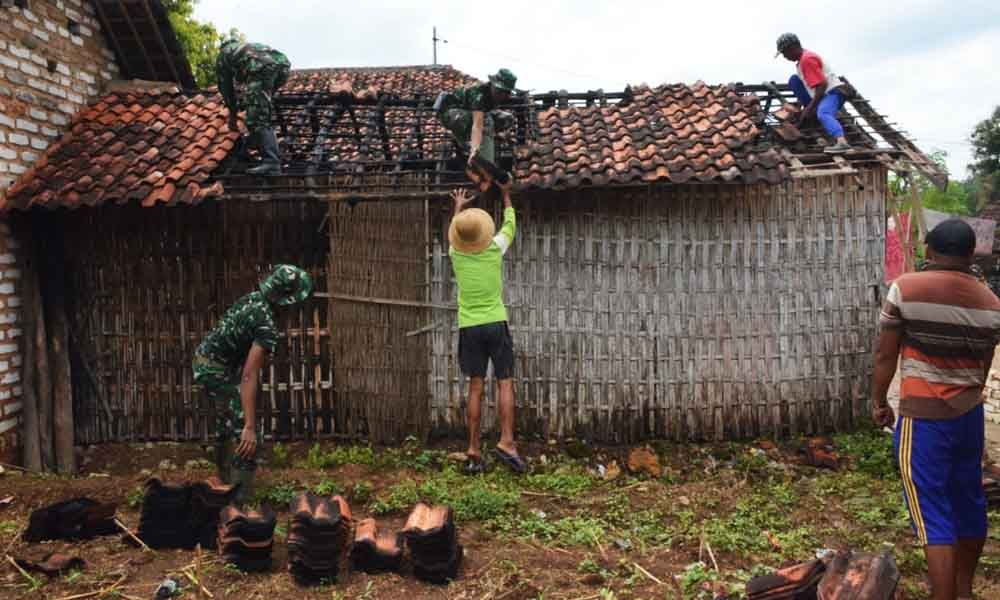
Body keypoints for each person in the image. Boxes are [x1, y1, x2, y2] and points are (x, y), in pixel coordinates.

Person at [870, 219, 1000, 600]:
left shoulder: (907, 289)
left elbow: (884, 355)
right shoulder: (992, 304)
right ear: (970, 254)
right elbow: (985, 364)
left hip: (925, 420)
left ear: (929, 251)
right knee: (968, 500)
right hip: (970, 418)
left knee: (933, 513)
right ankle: (963, 592)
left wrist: (879, 402)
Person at [193, 265, 313, 504]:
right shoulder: (266, 324)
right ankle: (239, 504)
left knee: (227, 422)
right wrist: (249, 425)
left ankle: (224, 487)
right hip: (215, 370)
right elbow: (249, 375)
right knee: (245, 433)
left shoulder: (254, 299)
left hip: (207, 362)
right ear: (286, 301)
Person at [448, 182, 525, 474]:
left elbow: (454, 234)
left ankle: (474, 449)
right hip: (495, 322)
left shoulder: (456, 254)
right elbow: (510, 225)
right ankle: (506, 441)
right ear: (482, 233)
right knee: (505, 381)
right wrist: (505, 194)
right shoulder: (494, 248)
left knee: (475, 387)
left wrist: (458, 207)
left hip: (470, 326)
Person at [216, 37, 291, 176]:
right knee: (259, 108)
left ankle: (271, 162)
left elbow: (226, 88)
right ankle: (257, 144)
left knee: (255, 117)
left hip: (261, 68)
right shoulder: (247, 48)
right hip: (283, 66)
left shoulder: (223, 54)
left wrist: (232, 115)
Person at [435, 68, 518, 187]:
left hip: (470, 113)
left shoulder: (497, 97)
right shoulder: (479, 94)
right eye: (500, 91)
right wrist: (475, 149)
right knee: (484, 121)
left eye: (505, 92)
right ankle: (462, 141)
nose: (502, 95)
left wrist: (496, 132)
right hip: (450, 113)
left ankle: (480, 141)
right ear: (493, 85)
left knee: (507, 118)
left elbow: (486, 115)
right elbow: (477, 125)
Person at [775, 33, 851, 154]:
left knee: (823, 113)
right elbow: (808, 85)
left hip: (832, 92)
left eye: (784, 53)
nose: (784, 57)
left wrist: (810, 108)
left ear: (792, 48)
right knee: (794, 80)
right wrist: (800, 105)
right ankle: (813, 109)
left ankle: (842, 142)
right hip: (821, 95)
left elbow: (822, 85)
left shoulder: (807, 59)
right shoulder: (801, 62)